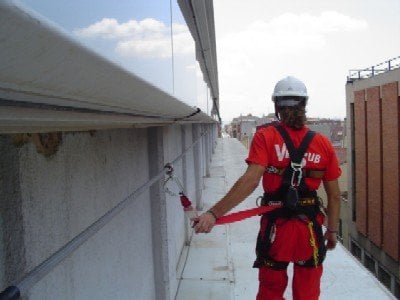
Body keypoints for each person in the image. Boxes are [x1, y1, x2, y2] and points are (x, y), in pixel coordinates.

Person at [194, 76, 341, 300]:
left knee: (270, 291)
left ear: (277, 106)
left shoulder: (266, 136)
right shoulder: (323, 143)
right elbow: (334, 196)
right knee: (308, 292)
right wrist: (331, 232)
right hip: (309, 229)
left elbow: (250, 181)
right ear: (304, 105)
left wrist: (214, 213)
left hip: (276, 228)